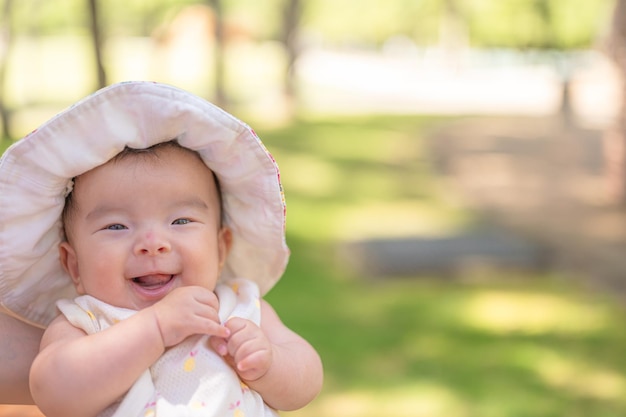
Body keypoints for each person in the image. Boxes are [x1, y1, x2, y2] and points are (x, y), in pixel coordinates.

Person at [0, 81, 323, 417]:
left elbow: (307, 379)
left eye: (181, 221)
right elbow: (54, 394)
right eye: (117, 227)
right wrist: (154, 328)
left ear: (221, 247)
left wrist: (270, 363)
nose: (153, 244)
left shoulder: (239, 307)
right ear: (74, 265)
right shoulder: (85, 323)